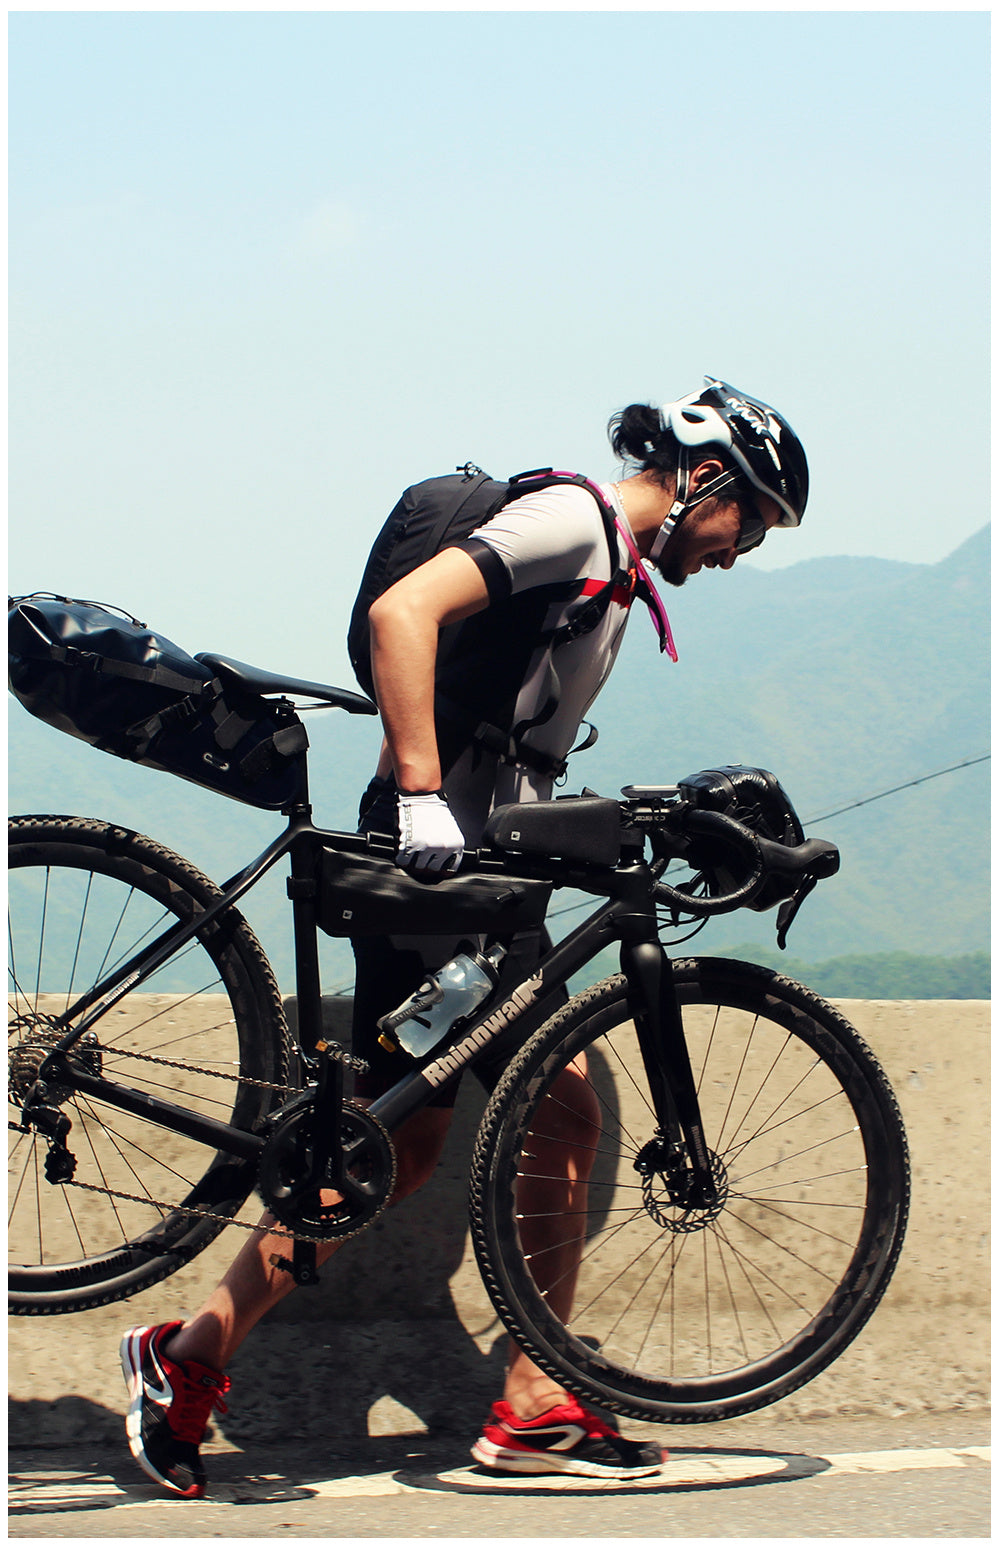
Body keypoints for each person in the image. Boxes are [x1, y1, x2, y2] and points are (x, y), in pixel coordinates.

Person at [120, 378, 809, 1495]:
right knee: (562, 1101)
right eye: (754, 521)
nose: (745, 550)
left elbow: (521, 744)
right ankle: (533, 1401)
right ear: (708, 480)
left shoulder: (613, 566)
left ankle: (189, 1356)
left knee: (392, 1144)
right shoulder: (573, 520)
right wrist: (429, 795)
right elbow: (406, 614)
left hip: (477, 873)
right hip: (438, 863)